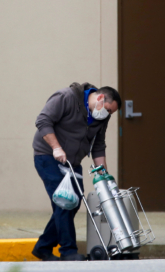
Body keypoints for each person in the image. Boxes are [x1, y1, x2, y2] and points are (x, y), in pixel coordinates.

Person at [31, 82, 121, 261]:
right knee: (64, 202)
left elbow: (98, 145)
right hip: (48, 156)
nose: (108, 115)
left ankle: (43, 247)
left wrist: (103, 174)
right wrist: (56, 148)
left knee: (73, 204)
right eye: (109, 110)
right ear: (101, 98)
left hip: (73, 161)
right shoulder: (66, 97)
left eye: (111, 113)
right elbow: (42, 120)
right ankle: (68, 251)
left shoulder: (101, 117)